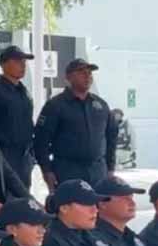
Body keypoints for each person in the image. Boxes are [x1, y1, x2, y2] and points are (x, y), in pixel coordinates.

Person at [33, 59, 119, 188]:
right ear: (69, 77)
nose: (87, 76)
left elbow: (111, 137)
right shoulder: (55, 105)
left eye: (89, 73)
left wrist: (111, 168)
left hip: (98, 172)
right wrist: (47, 170)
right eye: (82, 72)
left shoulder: (101, 105)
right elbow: (41, 141)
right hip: (67, 171)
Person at [0, 45, 37, 185]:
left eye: (24, 61)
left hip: (24, 155)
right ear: (4, 64)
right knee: (6, 193)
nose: (22, 65)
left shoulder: (23, 91)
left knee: (23, 193)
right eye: (17, 61)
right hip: (3, 153)